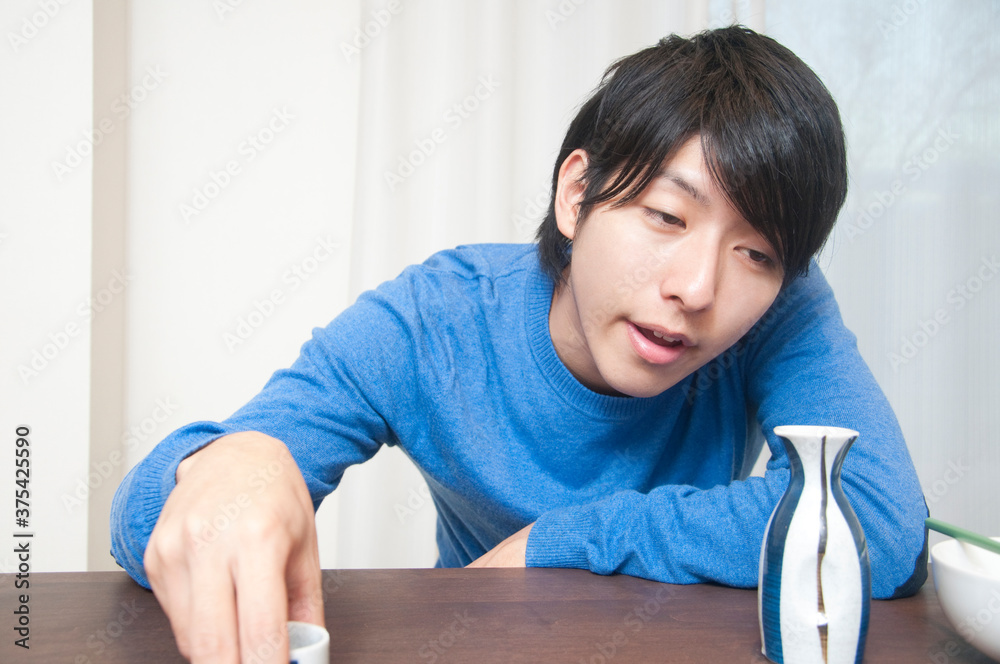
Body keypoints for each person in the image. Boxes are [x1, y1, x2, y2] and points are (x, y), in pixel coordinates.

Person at [111, 25, 928, 663]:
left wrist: (561, 541)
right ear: (577, 194)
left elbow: (880, 526)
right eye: (666, 217)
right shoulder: (438, 320)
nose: (699, 288)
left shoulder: (779, 309)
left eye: (756, 252)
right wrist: (235, 462)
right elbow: (144, 524)